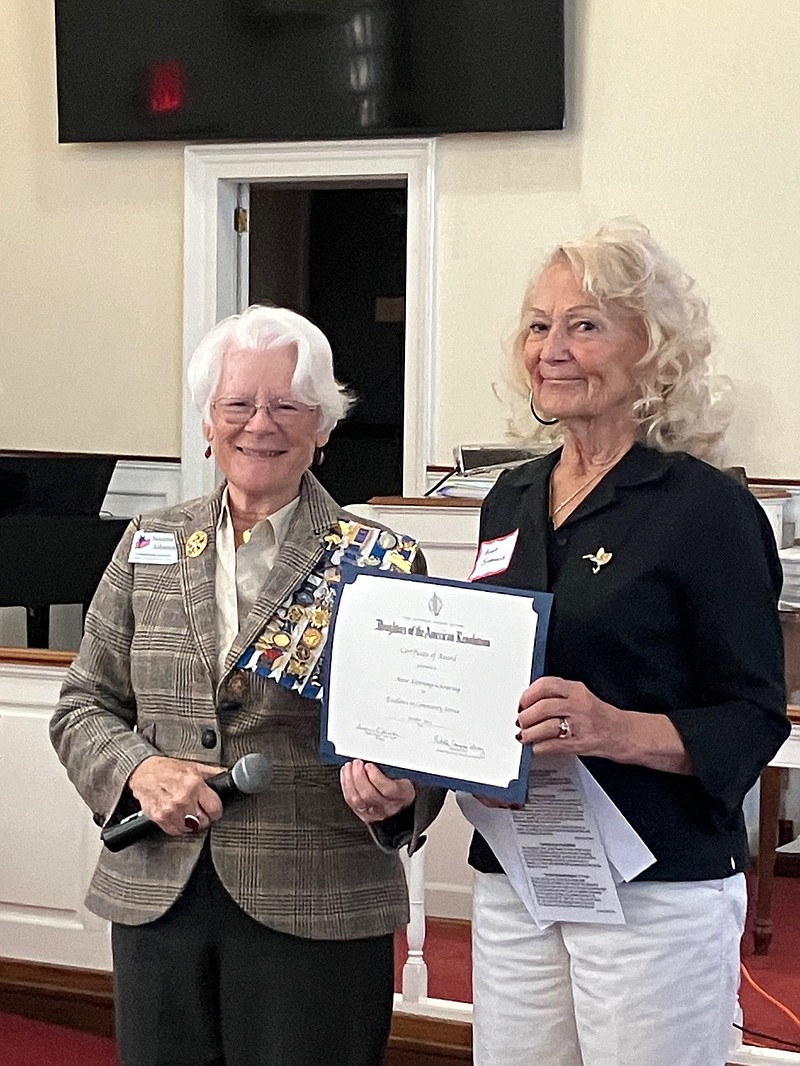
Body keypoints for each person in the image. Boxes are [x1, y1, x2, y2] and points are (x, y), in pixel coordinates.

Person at [50, 305, 442, 1066]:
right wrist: (139, 769)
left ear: (323, 426)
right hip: (159, 890)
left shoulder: (381, 560)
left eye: (287, 404)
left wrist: (403, 795)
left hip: (318, 899)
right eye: (238, 404)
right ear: (208, 420)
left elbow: (419, 739)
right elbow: (82, 704)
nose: (260, 424)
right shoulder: (148, 541)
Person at [467, 223, 790, 1066]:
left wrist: (614, 728)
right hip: (521, 874)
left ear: (654, 349)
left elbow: (754, 716)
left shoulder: (704, 508)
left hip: (656, 886)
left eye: (586, 324)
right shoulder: (510, 497)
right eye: (539, 325)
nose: (554, 349)